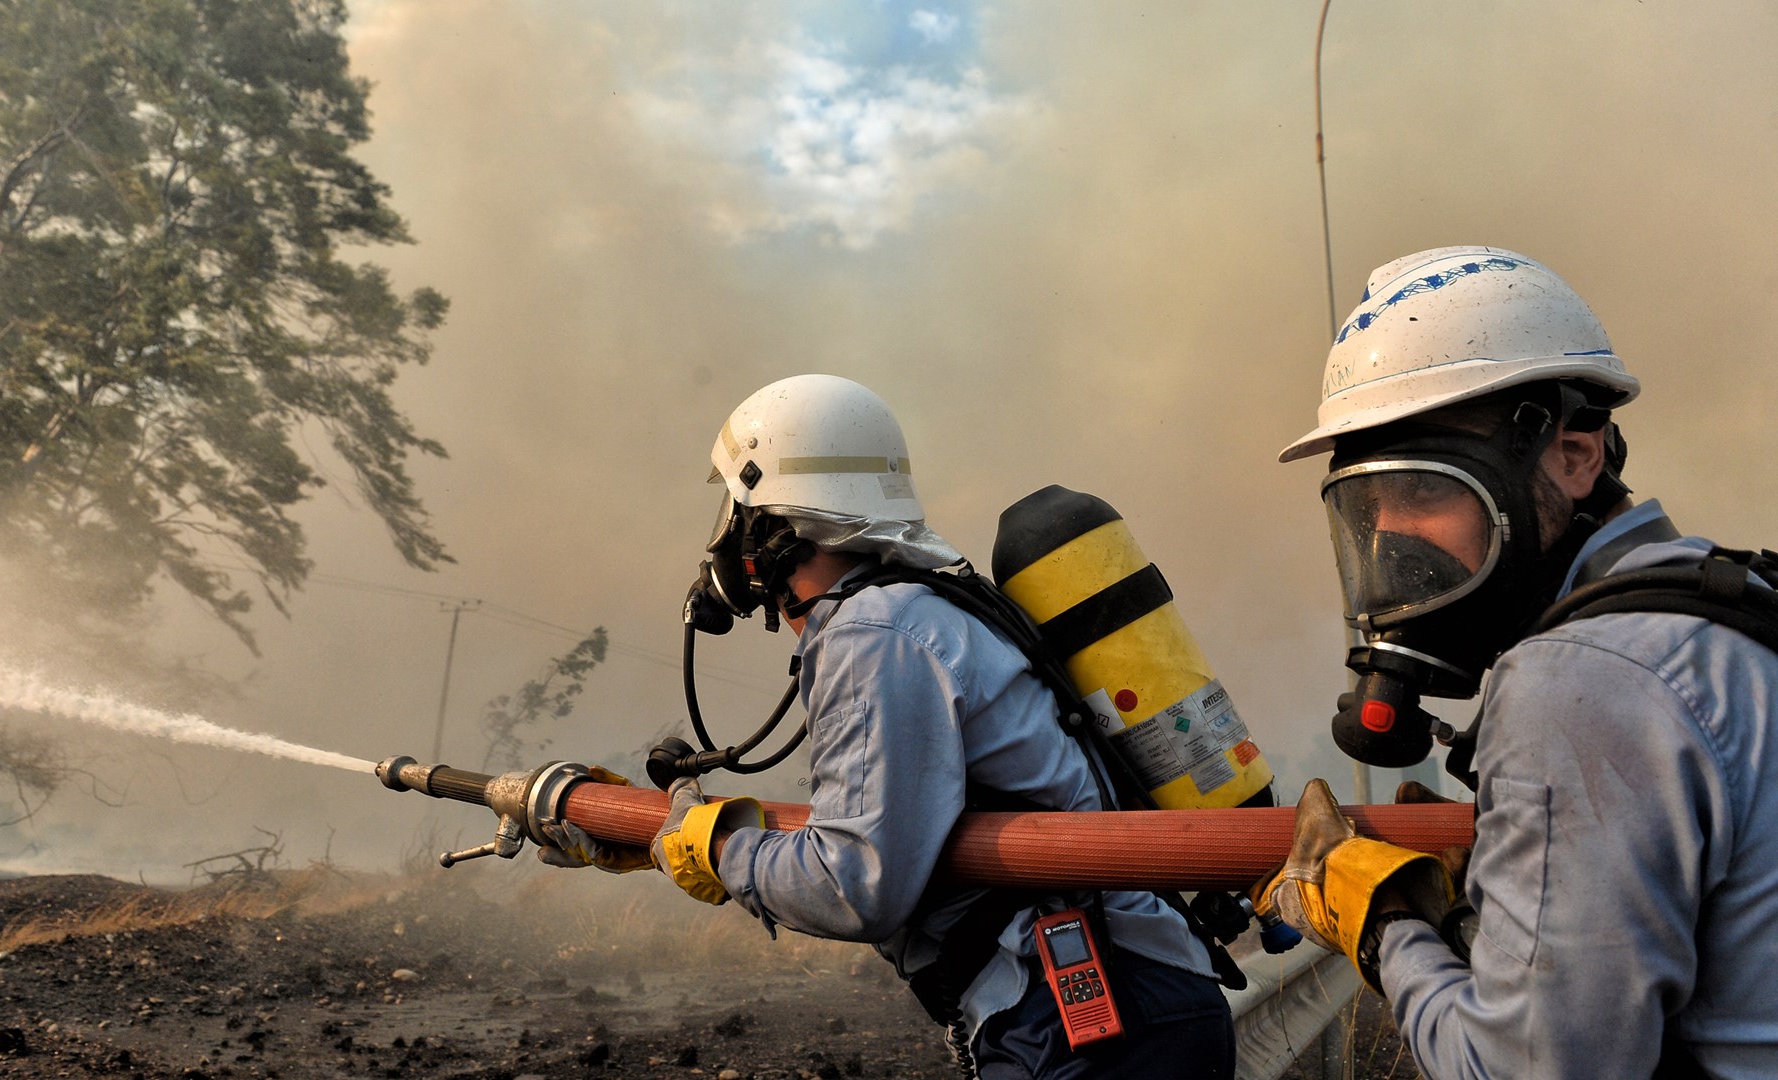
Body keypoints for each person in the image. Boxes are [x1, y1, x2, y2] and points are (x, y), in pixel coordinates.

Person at [550, 374, 1234, 1079]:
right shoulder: (923, 609)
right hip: (1118, 1002)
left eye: (737, 508)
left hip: (1091, 1018)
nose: (725, 541)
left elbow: (854, 883)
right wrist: (663, 836)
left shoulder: (873, 635)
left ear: (774, 525)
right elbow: (880, 828)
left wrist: (718, 851)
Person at [1261, 246, 1778, 1078]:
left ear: (1574, 457)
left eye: (1424, 488)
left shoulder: (1580, 679)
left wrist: (1388, 921)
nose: (1391, 537)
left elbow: (1524, 1068)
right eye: (1371, 505)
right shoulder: (1731, 607)